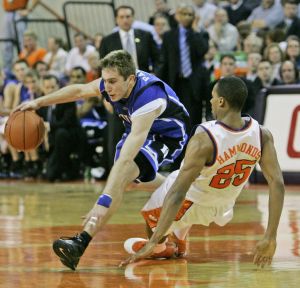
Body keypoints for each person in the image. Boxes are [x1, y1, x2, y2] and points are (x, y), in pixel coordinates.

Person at [15, 50, 190, 270]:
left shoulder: (149, 96)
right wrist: (39, 102)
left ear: (131, 79)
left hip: (167, 134)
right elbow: (79, 90)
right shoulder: (113, 81)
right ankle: (176, 191)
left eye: (113, 82)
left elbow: (125, 160)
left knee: (121, 175)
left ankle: (81, 242)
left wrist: (102, 201)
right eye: (105, 81)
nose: (107, 87)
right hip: (136, 127)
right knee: (128, 181)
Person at [120, 76, 285, 269]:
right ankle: (180, 239)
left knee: (155, 209)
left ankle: (162, 249)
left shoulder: (205, 138)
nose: (211, 101)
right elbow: (277, 184)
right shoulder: (262, 134)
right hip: (225, 206)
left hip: (194, 203)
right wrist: (270, 236)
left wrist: (152, 242)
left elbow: (177, 194)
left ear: (222, 101)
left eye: (213, 97)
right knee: (181, 187)